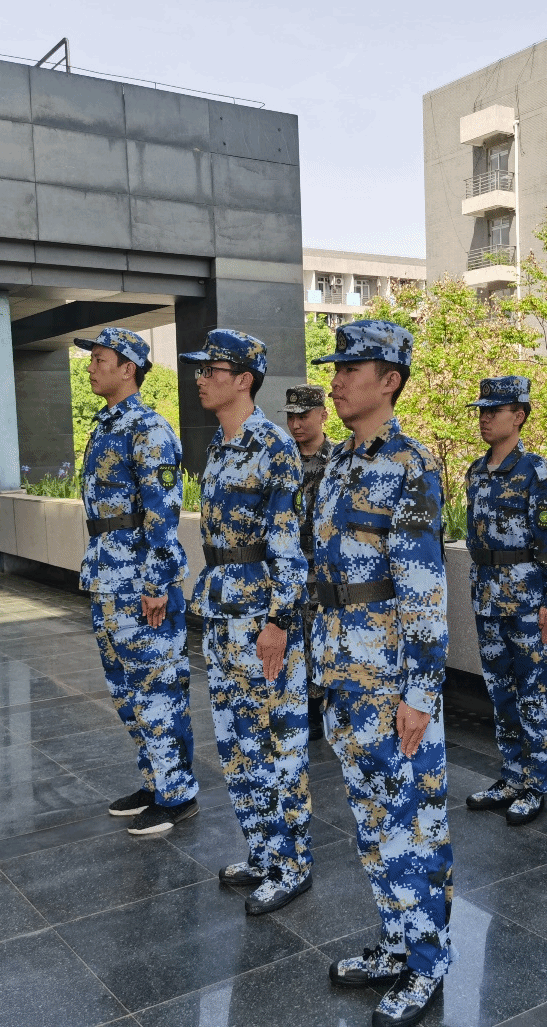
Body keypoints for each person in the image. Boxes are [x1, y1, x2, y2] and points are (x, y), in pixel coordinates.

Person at [310, 320, 452, 1027]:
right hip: (344, 672)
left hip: (391, 680)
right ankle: (396, 943)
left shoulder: (410, 465)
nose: (336, 381)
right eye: (335, 368)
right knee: (372, 823)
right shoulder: (339, 462)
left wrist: (420, 693)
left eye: (351, 369)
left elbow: (424, 591)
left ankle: (426, 963)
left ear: (389, 380)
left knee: (410, 825)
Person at [180, 329, 314, 915]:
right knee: (237, 744)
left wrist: (279, 620)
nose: (201, 379)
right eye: (201, 369)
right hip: (222, 615)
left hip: (261, 620)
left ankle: (293, 864)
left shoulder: (273, 445)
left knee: (279, 743)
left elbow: (287, 546)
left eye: (212, 370)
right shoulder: (221, 443)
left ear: (243, 379)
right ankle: (263, 851)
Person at [77, 327, 199, 836]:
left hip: (139, 584)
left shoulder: (149, 429)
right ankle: (155, 782)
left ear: (128, 368)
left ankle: (178, 794)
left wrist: (155, 584)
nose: (90, 367)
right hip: (107, 579)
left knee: (157, 689)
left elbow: (162, 515)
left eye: (99, 360)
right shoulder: (107, 425)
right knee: (128, 693)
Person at [462, 375, 547, 826]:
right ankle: (511, 775)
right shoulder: (475, 471)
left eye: (495, 411)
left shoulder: (536, 472)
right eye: (482, 411)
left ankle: (535, 784)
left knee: (535, 693)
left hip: (527, 601)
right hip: (487, 598)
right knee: (500, 692)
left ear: (519, 416)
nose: (485, 419)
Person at [283, 383, 335, 743]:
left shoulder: (338, 461)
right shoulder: (281, 460)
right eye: (291, 417)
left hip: (324, 570)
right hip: (288, 568)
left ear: (322, 415)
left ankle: (320, 709)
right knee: (292, 641)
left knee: (320, 641)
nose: (296, 424)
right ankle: (299, 707)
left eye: (303, 416)